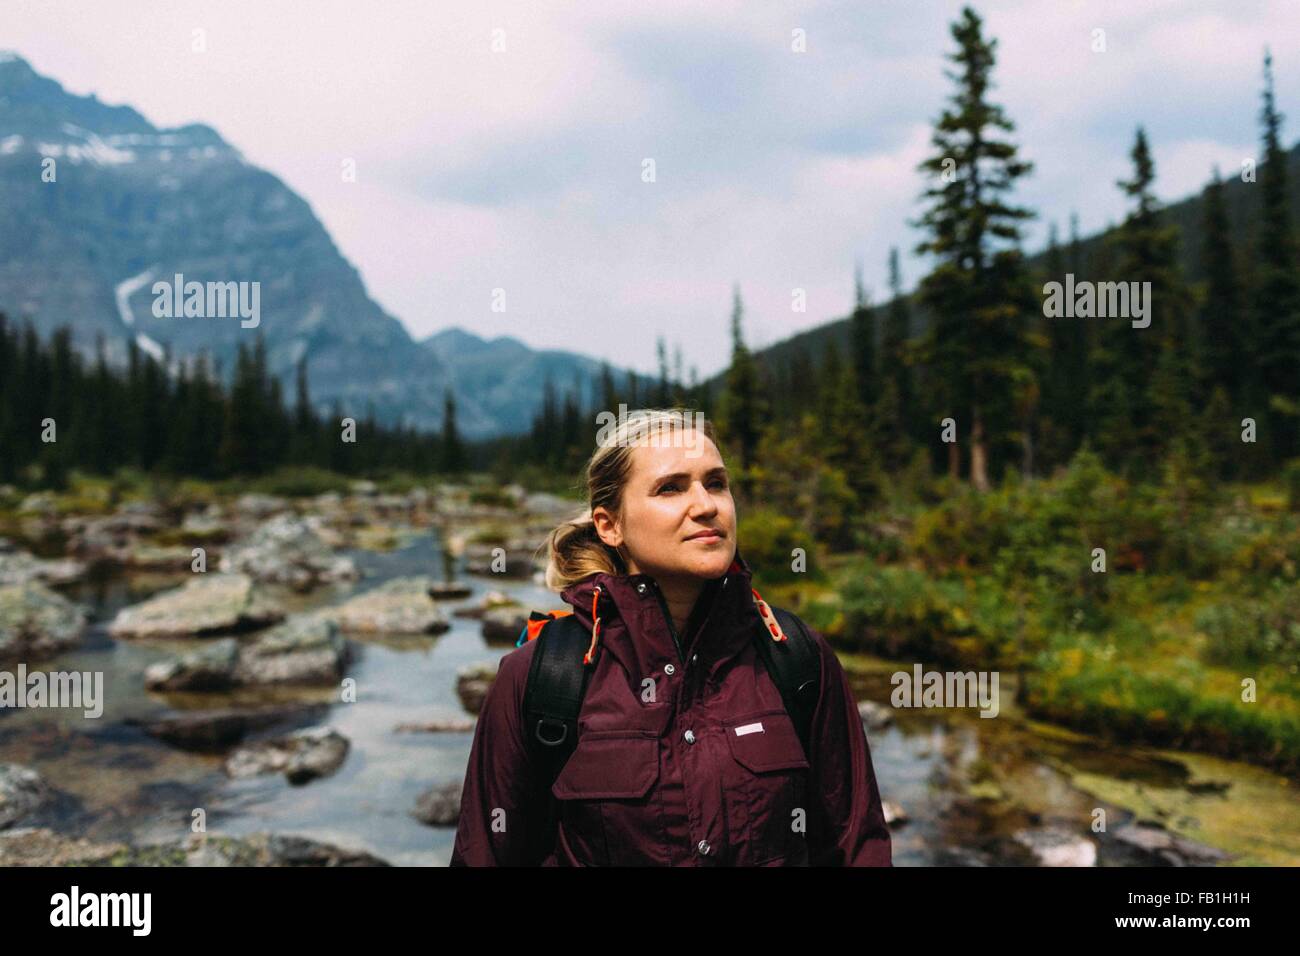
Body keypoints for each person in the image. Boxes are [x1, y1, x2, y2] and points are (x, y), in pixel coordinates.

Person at [450, 408, 891, 866]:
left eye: (716, 483)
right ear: (610, 525)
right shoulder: (544, 678)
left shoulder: (795, 657)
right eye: (670, 488)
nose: (706, 505)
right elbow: (485, 853)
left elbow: (857, 846)